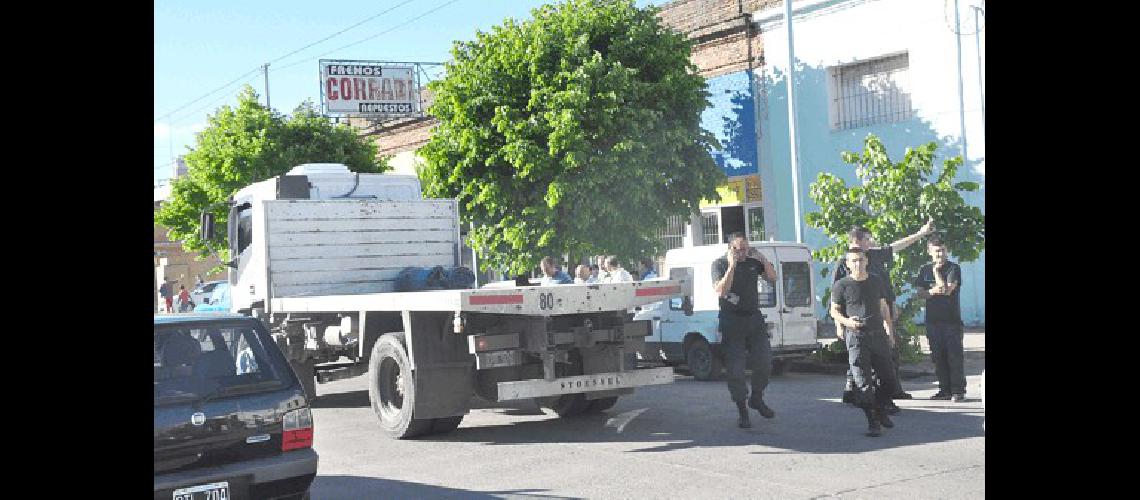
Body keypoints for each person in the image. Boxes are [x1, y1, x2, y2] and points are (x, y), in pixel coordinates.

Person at [835, 219, 936, 405]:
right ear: (856, 240)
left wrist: (921, 233)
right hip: (856, 318)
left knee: (887, 351)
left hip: (881, 309)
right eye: (867, 239)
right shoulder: (846, 262)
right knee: (860, 358)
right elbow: (837, 298)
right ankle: (861, 394)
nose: (871, 242)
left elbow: (896, 247)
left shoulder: (873, 255)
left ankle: (890, 391)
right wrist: (839, 324)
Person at [831, 248, 900, 437]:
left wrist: (890, 332)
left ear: (866, 261)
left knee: (889, 380)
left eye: (860, 260)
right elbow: (835, 311)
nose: (857, 264)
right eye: (853, 261)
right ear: (847, 264)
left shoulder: (876, 281)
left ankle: (880, 409)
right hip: (856, 336)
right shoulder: (842, 285)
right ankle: (873, 421)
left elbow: (884, 307)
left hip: (878, 335)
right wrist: (847, 323)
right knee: (863, 383)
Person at [712, 232, 778, 428]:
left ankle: (757, 398)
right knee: (736, 370)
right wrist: (732, 266)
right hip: (732, 321)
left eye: (745, 249)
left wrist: (763, 259)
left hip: (753, 318)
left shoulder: (752, 262)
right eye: (737, 250)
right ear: (729, 248)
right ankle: (742, 412)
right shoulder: (720, 264)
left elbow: (773, 278)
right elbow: (721, 291)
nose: (742, 253)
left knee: (765, 361)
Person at [913, 238, 967, 402]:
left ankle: (957, 391)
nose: (940, 254)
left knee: (954, 356)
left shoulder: (953, 268)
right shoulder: (923, 269)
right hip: (932, 321)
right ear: (929, 252)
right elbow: (920, 293)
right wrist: (932, 291)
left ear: (946, 250)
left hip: (951, 321)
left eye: (942, 250)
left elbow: (946, 290)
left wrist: (936, 273)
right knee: (938, 357)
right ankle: (944, 390)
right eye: (936, 251)